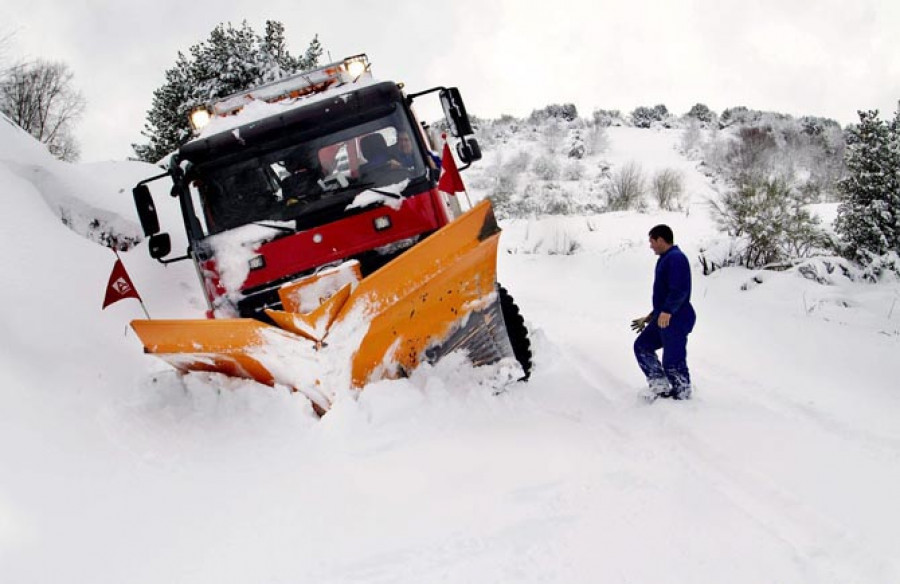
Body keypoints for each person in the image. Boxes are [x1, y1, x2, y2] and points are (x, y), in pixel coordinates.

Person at [631, 224, 696, 401]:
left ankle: (683, 395)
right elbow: (666, 292)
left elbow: (680, 290)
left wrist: (667, 310)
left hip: (675, 318)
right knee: (642, 346)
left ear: (660, 239)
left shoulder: (676, 258)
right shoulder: (666, 258)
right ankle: (660, 386)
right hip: (663, 317)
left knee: (673, 361)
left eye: (652, 241)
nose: (650, 245)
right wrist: (652, 315)